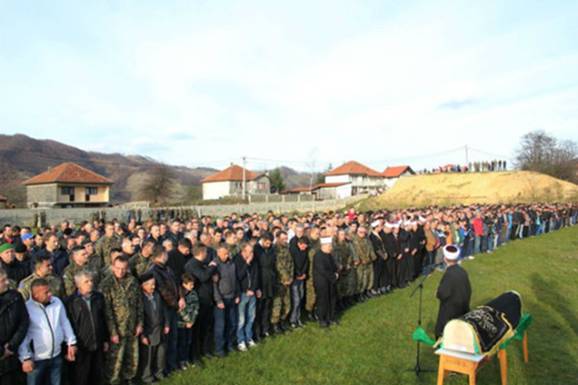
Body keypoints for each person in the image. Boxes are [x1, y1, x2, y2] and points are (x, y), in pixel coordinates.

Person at [18, 278, 77, 385]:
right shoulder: (26, 309)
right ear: (36, 295)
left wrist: (71, 342)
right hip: (37, 360)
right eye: (46, 292)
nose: (50, 294)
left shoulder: (57, 302)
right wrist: (25, 357)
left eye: (49, 290)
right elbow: (23, 335)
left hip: (56, 356)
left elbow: (64, 322)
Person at [99, 255, 143, 385]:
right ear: (112, 267)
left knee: (132, 358)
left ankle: (129, 379)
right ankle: (112, 381)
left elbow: (139, 304)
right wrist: (112, 332)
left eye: (123, 269)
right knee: (115, 361)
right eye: (118, 268)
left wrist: (140, 323)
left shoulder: (133, 281)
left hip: (131, 327)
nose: (120, 271)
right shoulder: (106, 284)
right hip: (117, 329)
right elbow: (106, 311)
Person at [64, 271, 107, 385]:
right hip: (82, 346)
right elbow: (68, 325)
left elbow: (103, 319)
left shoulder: (98, 297)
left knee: (97, 375)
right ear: (78, 285)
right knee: (81, 376)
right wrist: (71, 345)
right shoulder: (70, 301)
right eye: (86, 282)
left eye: (91, 281)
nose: (90, 284)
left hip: (97, 343)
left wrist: (105, 340)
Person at [147, 246, 182, 374]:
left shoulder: (167, 268)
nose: (167, 256)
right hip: (166, 308)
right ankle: (163, 367)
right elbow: (162, 291)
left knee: (174, 337)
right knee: (166, 339)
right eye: (165, 254)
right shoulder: (154, 270)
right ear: (161, 255)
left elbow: (176, 283)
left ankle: (172, 364)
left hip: (173, 306)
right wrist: (175, 303)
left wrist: (181, 297)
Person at [184, 246, 217, 361]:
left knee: (206, 328)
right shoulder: (192, 264)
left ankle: (205, 350)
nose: (207, 255)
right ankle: (195, 355)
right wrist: (212, 267)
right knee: (197, 330)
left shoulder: (201, 263)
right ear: (202, 253)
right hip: (198, 300)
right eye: (206, 253)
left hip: (207, 299)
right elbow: (203, 276)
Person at [434, 245, 472, 338]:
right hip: (463, 306)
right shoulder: (462, 271)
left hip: (451, 310)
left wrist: (437, 293)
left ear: (445, 258)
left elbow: (443, 293)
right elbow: (469, 289)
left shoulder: (449, 274)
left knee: (443, 332)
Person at [137, 272, 169, 384]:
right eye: (151, 284)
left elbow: (164, 310)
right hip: (149, 333)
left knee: (161, 354)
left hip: (160, 330)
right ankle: (147, 377)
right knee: (148, 357)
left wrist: (167, 324)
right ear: (143, 285)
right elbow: (139, 318)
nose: (153, 287)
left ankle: (159, 373)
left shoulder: (157, 295)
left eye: (154, 284)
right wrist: (143, 335)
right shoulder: (140, 299)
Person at [0, 267, 29, 385]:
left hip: (14, 353)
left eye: (6, 279)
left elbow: (23, 321)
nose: (7, 282)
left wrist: (11, 346)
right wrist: (2, 351)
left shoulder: (15, 297)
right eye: (3, 280)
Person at [212, 246, 239, 357]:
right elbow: (214, 285)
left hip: (232, 297)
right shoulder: (215, 265)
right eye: (224, 254)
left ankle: (230, 344)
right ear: (218, 253)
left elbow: (235, 279)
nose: (226, 256)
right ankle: (219, 349)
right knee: (220, 326)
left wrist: (237, 294)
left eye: (227, 254)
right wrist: (218, 300)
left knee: (232, 323)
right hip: (221, 299)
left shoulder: (231, 263)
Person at [235, 242, 260, 351]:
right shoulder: (237, 260)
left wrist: (254, 289)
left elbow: (256, 275)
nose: (251, 254)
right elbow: (238, 277)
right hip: (242, 293)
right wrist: (247, 263)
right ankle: (240, 340)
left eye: (252, 251)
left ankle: (249, 337)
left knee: (251, 316)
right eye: (249, 251)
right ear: (243, 251)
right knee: (241, 319)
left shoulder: (254, 261)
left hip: (252, 293)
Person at [313, 237, 339, 328]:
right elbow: (322, 270)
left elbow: (334, 266)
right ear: (324, 246)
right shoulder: (318, 256)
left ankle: (331, 317)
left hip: (330, 281)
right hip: (322, 283)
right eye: (329, 246)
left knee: (332, 299)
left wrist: (336, 272)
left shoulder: (329, 255)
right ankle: (322, 319)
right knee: (323, 301)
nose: (331, 247)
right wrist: (334, 276)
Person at [271, 231, 293, 333]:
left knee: (287, 303)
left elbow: (291, 263)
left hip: (288, 280)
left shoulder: (287, 248)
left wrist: (291, 277)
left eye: (286, 238)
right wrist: (285, 279)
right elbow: (278, 266)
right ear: (278, 238)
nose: (285, 240)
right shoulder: (274, 249)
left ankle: (283, 321)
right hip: (279, 281)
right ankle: (275, 324)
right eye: (283, 238)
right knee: (277, 304)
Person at [176, 273, 199, 369]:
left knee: (188, 341)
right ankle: (181, 361)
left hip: (191, 323)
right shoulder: (179, 295)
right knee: (182, 342)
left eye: (193, 284)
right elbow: (180, 310)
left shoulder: (193, 293)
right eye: (190, 285)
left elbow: (196, 306)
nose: (192, 287)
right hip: (181, 324)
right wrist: (187, 321)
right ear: (184, 284)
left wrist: (192, 320)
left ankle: (186, 359)